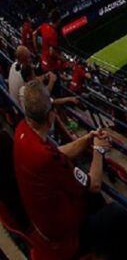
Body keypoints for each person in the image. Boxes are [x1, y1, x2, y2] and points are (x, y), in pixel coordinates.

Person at [13, 80, 116, 259]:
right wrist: (99, 149)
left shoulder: (23, 130)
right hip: (64, 231)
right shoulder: (45, 158)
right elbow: (94, 184)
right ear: (51, 116)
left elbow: (57, 152)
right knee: (116, 213)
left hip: (41, 220)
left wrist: (87, 138)